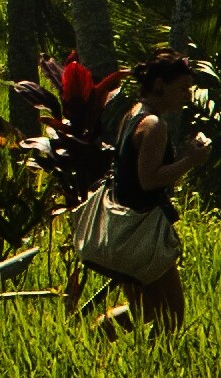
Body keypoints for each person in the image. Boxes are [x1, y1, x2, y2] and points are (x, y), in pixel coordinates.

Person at [84, 52, 200, 331]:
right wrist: (190, 160)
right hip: (142, 233)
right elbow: (148, 180)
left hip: (124, 229)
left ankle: (96, 336)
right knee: (172, 314)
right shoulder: (153, 125)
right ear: (160, 85)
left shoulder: (133, 115)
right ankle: (160, 367)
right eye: (182, 88)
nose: (188, 96)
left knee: (144, 309)